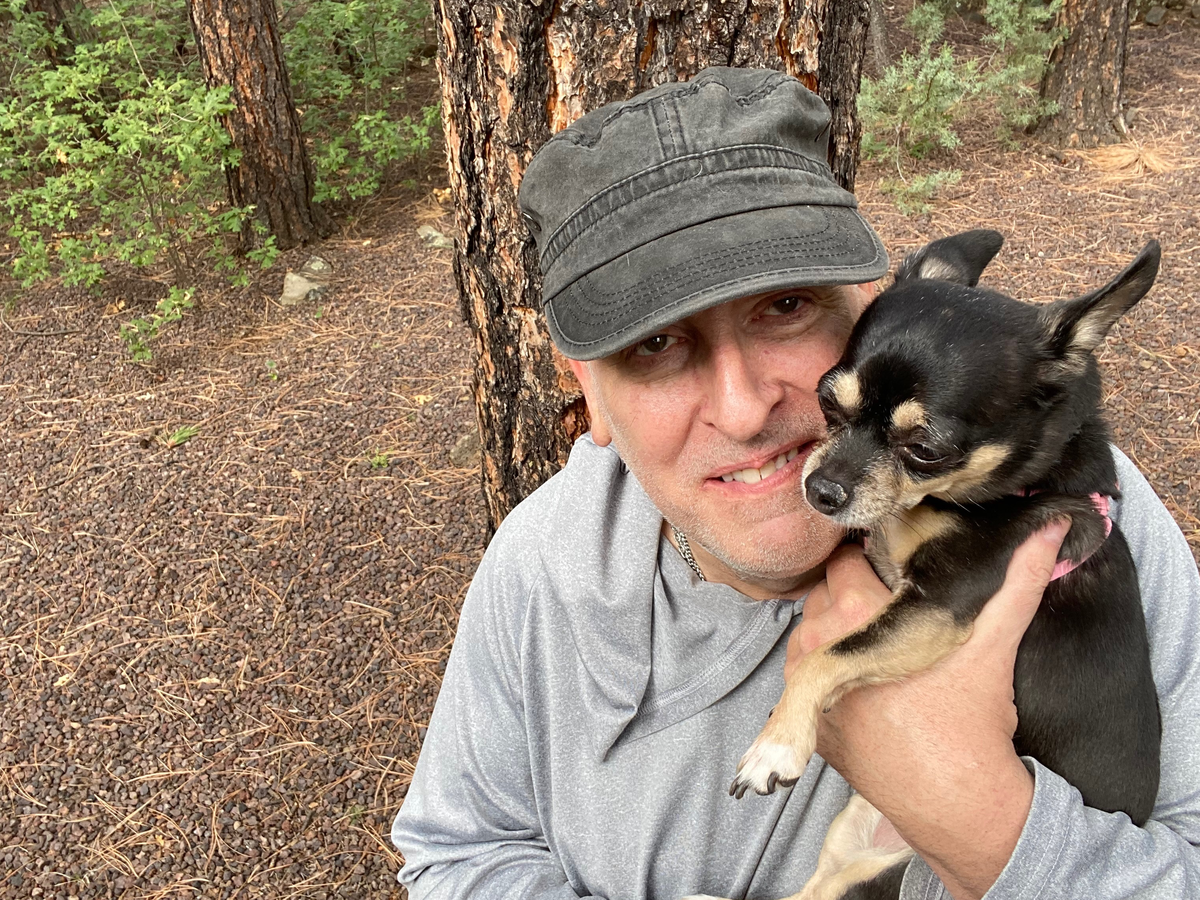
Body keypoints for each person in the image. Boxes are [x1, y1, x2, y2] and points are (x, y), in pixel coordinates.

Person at [391, 67, 1200, 900]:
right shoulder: (542, 561)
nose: (744, 410)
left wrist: (979, 817)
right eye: (654, 344)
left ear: (871, 304)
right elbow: (459, 854)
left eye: (785, 307)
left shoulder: (1073, 521)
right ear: (587, 391)